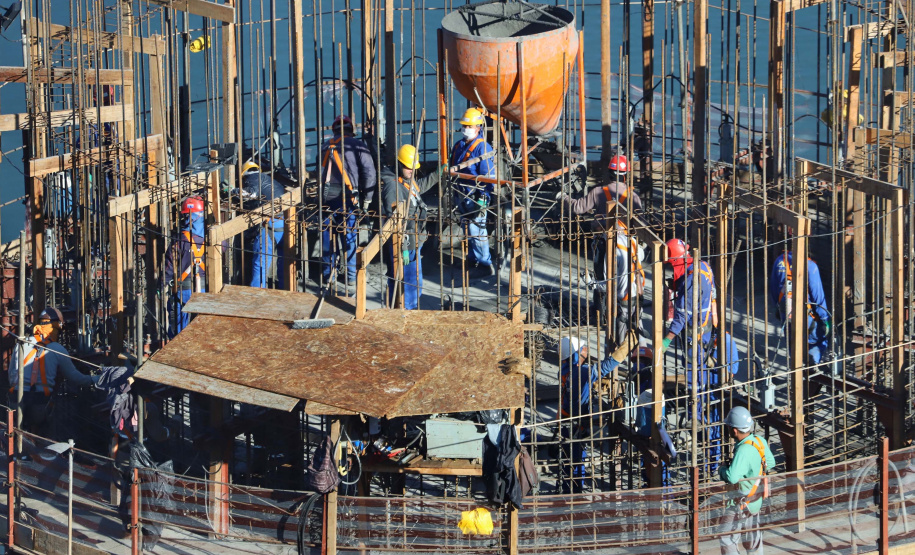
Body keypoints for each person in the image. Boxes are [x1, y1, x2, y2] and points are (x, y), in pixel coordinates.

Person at [661, 237, 728, 473]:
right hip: (707, 331)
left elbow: (681, 314)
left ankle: (695, 417)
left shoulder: (692, 278)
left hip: (694, 337)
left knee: (694, 384)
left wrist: (667, 339)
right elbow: (712, 299)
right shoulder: (703, 266)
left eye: (671, 263)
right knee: (706, 381)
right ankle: (708, 438)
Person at [560, 155, 643, 330]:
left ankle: (602, 315)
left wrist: (564, 197)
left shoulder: (599, 192)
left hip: (603, 243)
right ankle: (627, 314)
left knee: (602, 278)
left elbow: (578, 208)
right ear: (626, 174)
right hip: (626, 245)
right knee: (627, 279)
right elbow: (640, 224)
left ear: (610, 172)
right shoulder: (633, 196)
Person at [558, 332, 638, 492]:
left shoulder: (567, 370)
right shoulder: (581, 371)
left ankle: (568, 496)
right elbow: (606, 367)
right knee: (575, 465)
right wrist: (626, 347)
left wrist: (590, 385)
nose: (587, 351)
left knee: (567, 464)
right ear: (576, 353)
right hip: (575, 425)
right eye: (584, 348)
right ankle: (574, 500)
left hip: (566, 422)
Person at [7, 308, 96, 436]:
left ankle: (19, 453)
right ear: (56, 327)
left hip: (16, 396)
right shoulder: (57, 349)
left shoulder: (21, 344)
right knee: (42, 433)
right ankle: (38, 451)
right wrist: (95, 379)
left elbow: (11, 374)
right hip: (40, 401)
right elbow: (75, 377)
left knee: (16, 434)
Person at [320, 115, 377, 292]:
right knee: (350, 237)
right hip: (347, 199)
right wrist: (367, 199)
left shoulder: (325, 146)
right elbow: (369, 173)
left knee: (327, 238)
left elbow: (320, 172)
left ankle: (329, 274)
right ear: (351, 129)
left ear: (334, 129)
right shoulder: (358, 145)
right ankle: (352, 276)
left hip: (326, 198)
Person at [379, 144, 440, 310]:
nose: (411, 171)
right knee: (408, 281)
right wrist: (404, 246)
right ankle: (407, 310)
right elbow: (394, 220)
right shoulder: (393, 186)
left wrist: (437, 174)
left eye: (413, 168)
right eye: (408, 168)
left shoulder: (406, 180)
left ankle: (405, 307)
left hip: (414, 237)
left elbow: (418, 187)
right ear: (399, 164)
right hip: (404, 241)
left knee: (410, 279)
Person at [718, 406, 775, 555]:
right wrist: (752, 467)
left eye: (729, 427)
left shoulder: (743, 451)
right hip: (756, 500)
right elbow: (771, 462)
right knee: (753, 540)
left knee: (726, 537)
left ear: (735, 430)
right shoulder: (758, 441)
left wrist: (722, 469)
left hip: (741, 502)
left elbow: (732, 477)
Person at [580, 219, 646, 347]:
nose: (595, 237)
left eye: (597, 233)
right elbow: (641, 255)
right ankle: (644, 359)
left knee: (617, 337)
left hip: (623, 300)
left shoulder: (612, 253)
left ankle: (613, 362)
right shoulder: (631, 243)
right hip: (638, 294)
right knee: (638, 327)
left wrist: (590, 282)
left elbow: (608, 285)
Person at [450, 107, 496, 278]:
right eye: (464, 126)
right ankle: (472, 259)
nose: (465, 129)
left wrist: (484, 197)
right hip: (461, 194)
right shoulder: (459, 145)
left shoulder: (482, 148)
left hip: (476, 196)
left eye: (469, 126)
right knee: (468, 229)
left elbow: (489, 176)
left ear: (478, 127)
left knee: (478, 231)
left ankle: (485, 264)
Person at [769, 251, 832, 364]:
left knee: (793, 343)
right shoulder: (810, 266)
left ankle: (796, 369)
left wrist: (778, 309)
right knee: (816, 342)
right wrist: (825, 318)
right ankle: (812, 369)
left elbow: (774, 289)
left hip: (787, 314)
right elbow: (818, 296)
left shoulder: (779, 261)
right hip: (808, 316)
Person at [163, 196, 207, 335]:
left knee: (179, 330)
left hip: (184, 290)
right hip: (205, 290)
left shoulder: (179, 240)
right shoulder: (213, 239)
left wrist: (161, 285)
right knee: (202, 328)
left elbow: (169, 266)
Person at [239, 162, 287, 289]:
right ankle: (284, 288)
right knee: (284, 260)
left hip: (269, 223)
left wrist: (233, 191)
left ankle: (257, 291)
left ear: (244, 174)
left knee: (261, 261)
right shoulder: (272, 181)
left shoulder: (252, 178)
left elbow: (250, 194)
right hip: (284, 221)